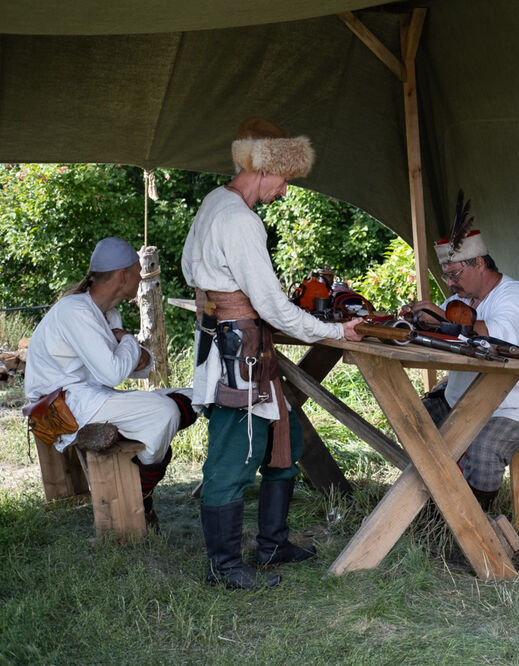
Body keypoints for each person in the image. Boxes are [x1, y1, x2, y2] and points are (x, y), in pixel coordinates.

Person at [181, 117, 362, 590]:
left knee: (286, 439)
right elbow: (275, 309)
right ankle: (224, 567)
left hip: (242, 348)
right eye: (284, 180)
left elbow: (187, 267)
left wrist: (221, 299)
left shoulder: (213, 202)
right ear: (262, 169)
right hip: (238, 355)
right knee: (233, 455)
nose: (284, 191)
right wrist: (337, 329)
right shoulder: (240, 219)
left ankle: (273, 543)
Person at [24, 237, 195, 529]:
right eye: (137, 272)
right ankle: (140, 493)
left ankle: (141, 487)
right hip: (63, 408)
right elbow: (114, 372)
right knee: (164, 412)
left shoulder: (108, 314)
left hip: (92, 397)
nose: (140, 278)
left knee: (192, 397)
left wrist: (131, 351)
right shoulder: (74, 311)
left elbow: (140, 366)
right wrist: (128, 341)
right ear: (123, 275)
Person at [409, 196, 519, 511]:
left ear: (478, 263)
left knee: (484, 446)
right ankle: (433, 499)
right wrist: (419, 319)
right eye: (446, 276)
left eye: (455, 275)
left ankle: (472, 520)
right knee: (416, 421)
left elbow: (498, 335)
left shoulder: (514, 294)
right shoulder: (463, 300)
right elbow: (450, 326)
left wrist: (442, 320)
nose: (450, 283)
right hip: (470, 400)